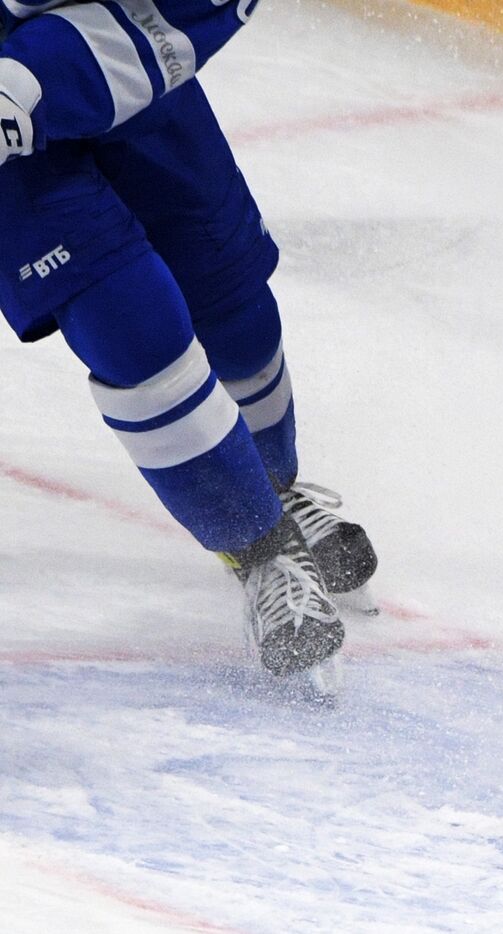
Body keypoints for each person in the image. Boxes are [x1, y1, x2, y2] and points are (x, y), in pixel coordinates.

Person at [0, 1, 377, 683]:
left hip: (120, 44)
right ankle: (260, 551)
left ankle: (273, 485)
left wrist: (29, 78)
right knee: (131, 328)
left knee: (234, 307)